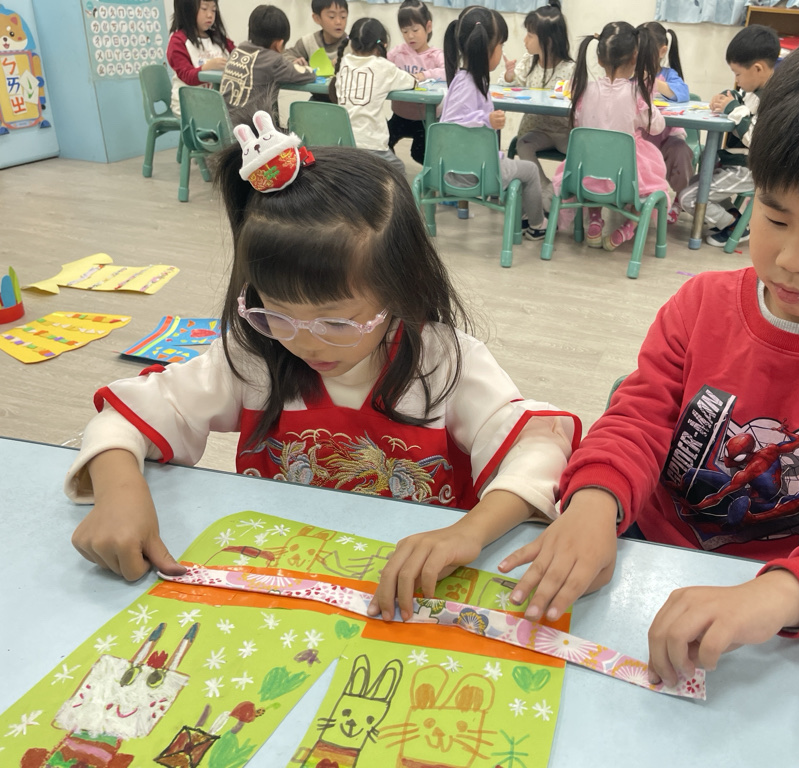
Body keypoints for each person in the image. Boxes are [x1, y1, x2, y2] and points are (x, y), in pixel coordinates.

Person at [499, 19, 799, 688]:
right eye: (775, 216)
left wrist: (779, 595)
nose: (792, 260)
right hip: (648, 558)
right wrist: (595, 500)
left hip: (791, 608)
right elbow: (638, 418)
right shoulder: (700, 305)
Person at [64, 112, 580, 623]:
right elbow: (128, 414)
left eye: (336, 321)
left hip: (410, 589)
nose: (305, 343)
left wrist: (468, 531)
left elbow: (539, 446)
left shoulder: (443, 363)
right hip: (288, 587)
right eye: (277, 314)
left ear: (401, 290)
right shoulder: (255, 356)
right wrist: (118, 493)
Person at [552, 21, 670, 250]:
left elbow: (578, 123)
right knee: (654, 181)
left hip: (585, 176)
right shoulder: (637, 94)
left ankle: (595, 219)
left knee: (596, 158)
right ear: (635, 57)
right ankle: (627, 228)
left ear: (598, 58)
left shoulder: (583, 89)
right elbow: (656, 127)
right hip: (626, 181)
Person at [440, 6, 548, 240]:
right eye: (501, 45)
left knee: (515, 167)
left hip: (455, 168)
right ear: (486, 48)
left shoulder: (460, 79)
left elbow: (445, 121)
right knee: (529, 170)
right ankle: (538, 223)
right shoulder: (471, 85)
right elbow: (451, 127)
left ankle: (523, 217)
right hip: (476, 172)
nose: (502, 51)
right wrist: (485, 119)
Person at [676, 24, 778, 246]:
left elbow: (757, 140)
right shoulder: (754, 92)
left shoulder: (772, 98)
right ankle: (731, 219)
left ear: (758, 69)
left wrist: (732, 109)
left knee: (688, 197)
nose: (737, 79)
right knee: (695, 182)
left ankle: (733, 225)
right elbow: (742, 102)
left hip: (750, 170)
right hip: (737, 165)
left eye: (737, 74)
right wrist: (728, 97)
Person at [499, 0, 575, 200]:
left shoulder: (569, 68)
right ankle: (545, 187)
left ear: (548, 41)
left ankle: (565, 190)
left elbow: (575, 100)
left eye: (530, 35)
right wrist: (509, 75)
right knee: (523, 144)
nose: (525, 40)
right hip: (536, 130)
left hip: (563, 131)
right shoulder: (528, 61)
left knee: (579, 152)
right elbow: (510, 85)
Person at [330, 17, 416, 177]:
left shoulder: (344, 62)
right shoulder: (383, 66)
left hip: (343, 142)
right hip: (371, 143)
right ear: (382, 45)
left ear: (351, 43)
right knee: (399, 171)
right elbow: (411, 81)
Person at [219, 5, 315, 126]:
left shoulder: (237, 51)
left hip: (225, 125)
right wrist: (305, 67)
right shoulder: (274, 60)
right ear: (278, 44)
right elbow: (307, 75)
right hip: (252, 129)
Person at [638, 21, 694, 225]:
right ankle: (634, 196)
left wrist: (653, 81)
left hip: (666, 139)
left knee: (682, 152)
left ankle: (679, 198)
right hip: (639, 140)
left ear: (662, 51)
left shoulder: (669, 75)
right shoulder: (629, 75)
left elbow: (683, 94)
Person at [387, 0, 445, 166]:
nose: (410, 36)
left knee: (419, 153)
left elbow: (448, 72)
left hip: (425, 119)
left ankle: (436, 175)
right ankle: (391, 169)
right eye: (405, 31)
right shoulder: (398, 53)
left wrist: (424, 75)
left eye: (415, 30)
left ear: (428, 27)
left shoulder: (435, 55)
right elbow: (383, 66)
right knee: (382, 142)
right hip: (400, 115)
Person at [166, 0, 233, 116]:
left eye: (213, 10)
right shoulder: (178, 41)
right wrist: (207, 67)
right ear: (187, 10)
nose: (210, 15)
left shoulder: (219, 38)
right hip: (189, 104)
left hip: (216, 102)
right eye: (204, 8)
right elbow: (186, 75)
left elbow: (238, 55)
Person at [283, 0, 349, 103]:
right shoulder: (308, 42)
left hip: (346, 103)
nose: (338, 22)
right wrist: (294, 62)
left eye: (343, 16)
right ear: (317, 18)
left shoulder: (353, 45)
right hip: (317, 100)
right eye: (332, 16)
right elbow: (284, 56)